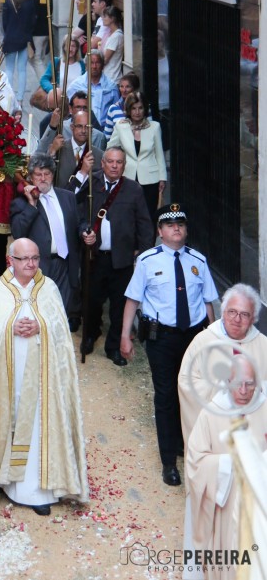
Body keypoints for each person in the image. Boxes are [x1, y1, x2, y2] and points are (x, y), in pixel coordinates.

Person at [0, 238, 89, 516]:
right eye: (24, 259)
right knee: (7, 418)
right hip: (6, 376)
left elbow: (61, 330)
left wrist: (41, 326)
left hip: (42, 377)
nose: (30, 264)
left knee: (38, 423)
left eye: (35, 258)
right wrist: (9, 327)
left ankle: (34, 490)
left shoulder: (48, 288)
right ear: (10, 260)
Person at [121, 203, 218, 486]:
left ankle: (185, 444)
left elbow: (208, 302)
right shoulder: (147, 261)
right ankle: (168, 462)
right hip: (161, 338)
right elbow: (133, 299)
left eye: (181, 224)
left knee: (193, 392)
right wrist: (125, 335)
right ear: (160, 231)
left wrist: (213, 339)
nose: (176, 228)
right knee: (165, 396)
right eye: (170, 225)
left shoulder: (198, 261)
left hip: (194, 337)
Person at [185, 356, 267, 580]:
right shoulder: (211, 413)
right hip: (227, 506)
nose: (243, 391)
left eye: (249, 384)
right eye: (237, 383)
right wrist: (228, 463)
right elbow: (196, 460)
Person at [79, 147, 153, 364]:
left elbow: (144, 224)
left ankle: (113, 347)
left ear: (124, 165)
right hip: (94, 256)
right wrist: (84, 231)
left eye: (118, 162)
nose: (114, 166)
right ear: (102, 163)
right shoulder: (91, 183)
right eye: (110, 161)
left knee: (120, 305)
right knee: (92, 300)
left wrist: (143, 255)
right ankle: (90, 334)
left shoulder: (133, 189)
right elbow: (78, 213)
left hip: (122, 259)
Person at [178, 282, 267, 447]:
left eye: (244, 314)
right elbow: (186, 381)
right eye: (232, 312)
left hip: (253, 431)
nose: (237, 319)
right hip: (215, 429)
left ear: (253, 318)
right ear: (223, 312)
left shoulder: (263, 345)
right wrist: (222, 388)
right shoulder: (203, 341)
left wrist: (255, 391)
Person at [10, 154, 80, 319]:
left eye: (47, 174)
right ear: (30, 177)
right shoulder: (21, 203)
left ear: (52, 175)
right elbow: (18, 233)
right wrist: (32, 205)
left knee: (61, 315)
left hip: (66, 265)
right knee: (40, 314)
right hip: (39, 267)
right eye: (38, 174)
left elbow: (78, 223)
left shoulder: (68, 197)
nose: (43, 178)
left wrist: (85, 231)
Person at [108, 90, 166, 220]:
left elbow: (159, 154)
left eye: (140, 108)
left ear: (145, 109)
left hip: (151, 179)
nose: (137, 112)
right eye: (134, 108)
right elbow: (110, 150)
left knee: (149, 216)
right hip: (127, 177)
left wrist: (162, 178)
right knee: (128, 215)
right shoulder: (120, 126)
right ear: (128, 109)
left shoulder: (155, 127)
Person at [43, 110, 104, 190]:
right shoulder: (58, 149)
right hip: (61, 196)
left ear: (91, 129)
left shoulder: (99, 155)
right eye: (79, 126)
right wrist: (52, 152)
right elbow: (44, 172)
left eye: (87, 127)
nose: (83, 131)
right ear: (72, 127)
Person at [1, 0, 36, 109]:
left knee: (9, 69)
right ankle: (20, 99)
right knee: (22, 70)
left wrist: (8, 32)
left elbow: (4, 23)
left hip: (10, 38)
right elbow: (32, 21)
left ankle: (10, 98)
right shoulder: (29, 0)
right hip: (24, 38)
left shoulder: (7, 0)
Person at [66, 50, 119, 129]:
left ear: (102, 65)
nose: (94, 66)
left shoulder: (111, 87)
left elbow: (117, 111)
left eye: (97, 63)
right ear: (86, 66)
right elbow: (68, 111)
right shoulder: (75, 86)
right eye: (91, 63)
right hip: (82, 130)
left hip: (106, 131)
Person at [26, 0, 50, 81]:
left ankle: (45, 85)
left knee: (36, 59)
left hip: (37, 33)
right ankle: (46, 83)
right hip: (46, 31)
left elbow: (33, 15)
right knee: (41, 59)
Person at [103, 71, 140, 140]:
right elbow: (107, 136)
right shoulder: (113, 108)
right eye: (121, 86)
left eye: (128, 87)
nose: (124, 90)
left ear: (134, 88)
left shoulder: (142, 107)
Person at [100, 6, 124, 83]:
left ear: (112, 18)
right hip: (106, 76)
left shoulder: (116, 36)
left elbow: (105, 59)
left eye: (105, 16)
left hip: (112, 78)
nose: (102, 18)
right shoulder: (109, 34)